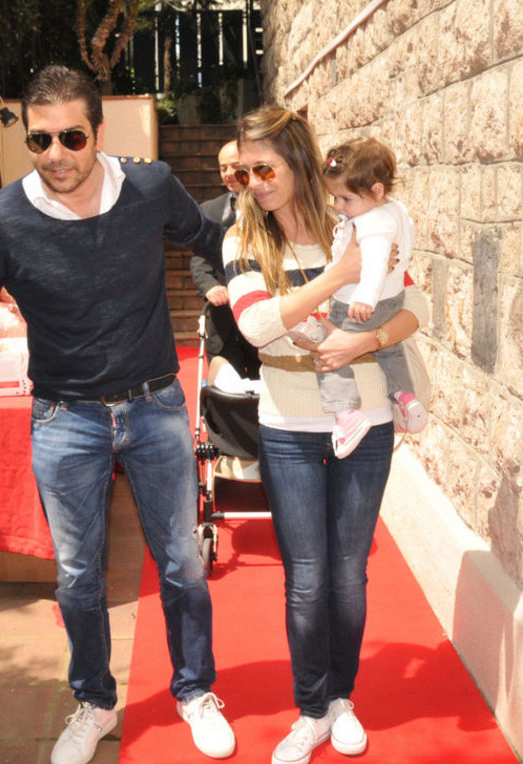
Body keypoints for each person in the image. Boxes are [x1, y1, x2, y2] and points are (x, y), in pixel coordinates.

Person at [0, 65, 236, 764]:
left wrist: (267, 283)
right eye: (40, 140)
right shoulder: (3, 219)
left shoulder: (152, 188)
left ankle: (194, 690)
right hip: (65, 419)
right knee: (76, 575)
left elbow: (212, 239)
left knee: (183, 563)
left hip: (156, 406)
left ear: (98, 131)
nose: (57, 153)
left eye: (72, 136)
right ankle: (94, 702)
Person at [224, 105, 428, 764]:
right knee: (306, 581)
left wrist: (363, 340)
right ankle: (310, 710)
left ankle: (341, 699)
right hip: (286, 425)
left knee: (348, 577)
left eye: (265, 169)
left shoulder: (356, 222)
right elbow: (257, 327)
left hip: (365, 420)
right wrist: (340, 276)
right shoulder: (243, 239)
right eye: (245, 172)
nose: (254, 183)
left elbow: (416, 306)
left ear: (297, 161)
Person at [310, 136, 427, 457]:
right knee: (390, 350)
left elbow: (375, 260)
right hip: (393, 300)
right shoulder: (395, 210)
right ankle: (405, 396)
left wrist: (365, 296)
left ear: (376, 190)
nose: (338, 206)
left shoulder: (372, 221)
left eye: (345, 199)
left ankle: (345, 413)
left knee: (329, 353)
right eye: (335, 197)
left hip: (358, 303)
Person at [190, 140, 260, 389]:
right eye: (223, 168)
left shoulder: (271, 204)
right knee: (226, 394)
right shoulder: (209, 210)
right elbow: (199, 259)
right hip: (223, 323)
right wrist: (209, 287)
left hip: (263, 320)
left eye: (234, 166)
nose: (228, 173)